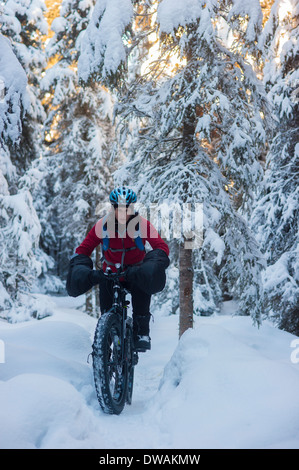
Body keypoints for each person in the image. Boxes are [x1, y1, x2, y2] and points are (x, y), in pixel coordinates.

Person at [66, 186, 170, 351]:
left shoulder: (142, 225)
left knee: (141, 297)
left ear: (132, 208)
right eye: (118, 208)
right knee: (106, 314)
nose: (123, 212)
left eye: (127, 208)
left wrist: (152, 263)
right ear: (113, 208)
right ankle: (103, 350)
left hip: (135, 274)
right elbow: (83, 250)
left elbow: (161, 247)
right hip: (110, 275)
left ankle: (141, 333)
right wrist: (83, 269)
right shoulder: (102, 226)